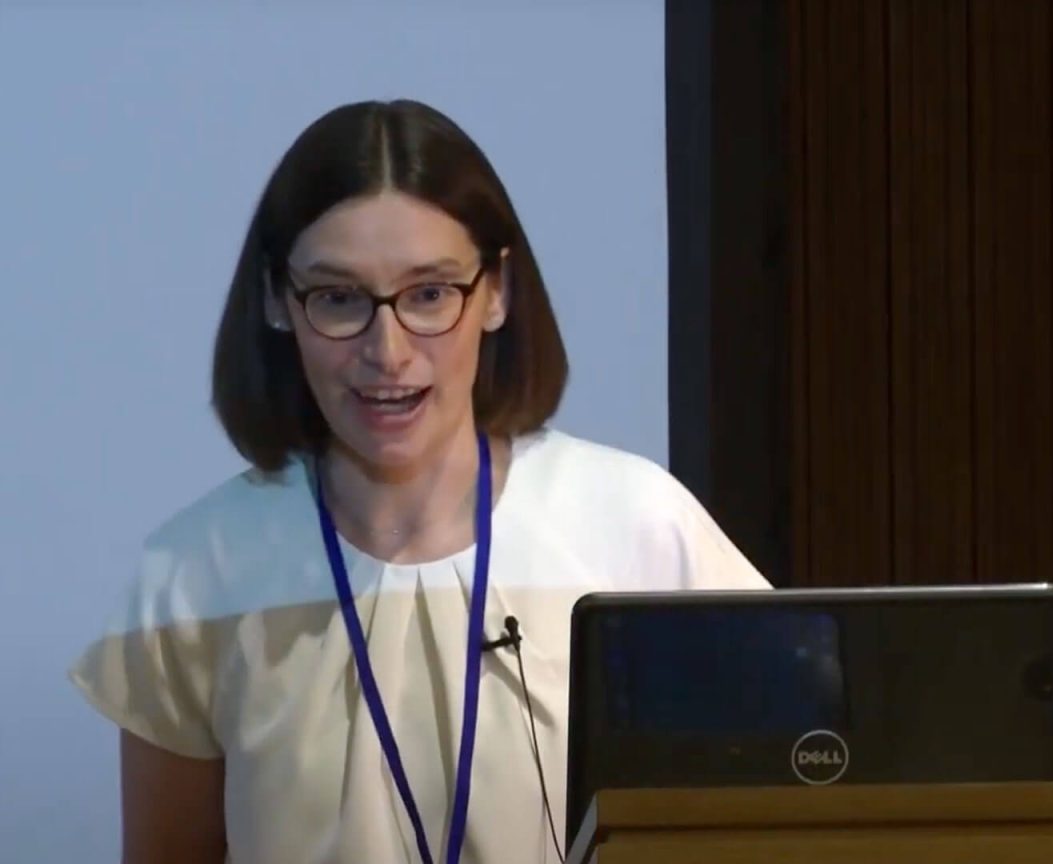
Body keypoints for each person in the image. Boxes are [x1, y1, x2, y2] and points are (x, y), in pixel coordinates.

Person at [68, 98, 770, 864]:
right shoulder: (194, 577)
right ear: (277, 300)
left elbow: (777, 808)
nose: (388, 351)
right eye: (339, 298)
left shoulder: (636, 528)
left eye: (429, 294)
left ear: (496, 291)